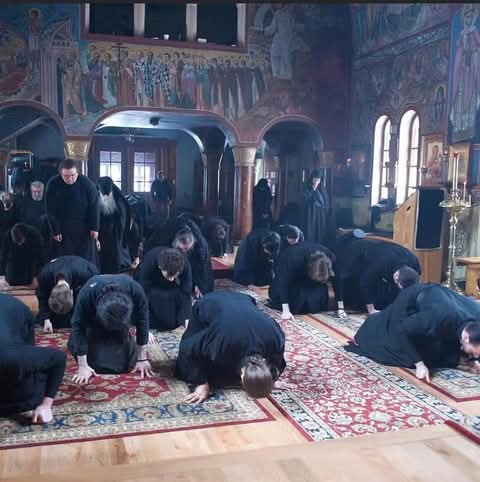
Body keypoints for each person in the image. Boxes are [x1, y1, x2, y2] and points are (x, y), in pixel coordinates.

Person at [345, 284, 480, 382]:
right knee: (400, 351)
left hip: (440, 299)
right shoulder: (435, 318)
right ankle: (368, 329)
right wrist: (419, 364)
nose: (474, 355)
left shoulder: (475, 315)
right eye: (473, 352)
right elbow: (402, 331)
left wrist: (471, 360)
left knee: (439, 352)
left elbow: (455, 335)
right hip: (412, 299)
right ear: (466, 337)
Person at [175, 291, 286, 403]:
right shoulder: (220, 343)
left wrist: (270, 380)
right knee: (211, 373)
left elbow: (277, 358)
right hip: (209, 302)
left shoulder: (275, 339)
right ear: (241, 377)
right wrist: (201, 384)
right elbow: (188, 348)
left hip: (244, 299)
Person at [68, 274, 153, 382]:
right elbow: (78, 326)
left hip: (121, 327)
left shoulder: (135, 290)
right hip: (94, 326)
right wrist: (83, 365)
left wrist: (142, 358)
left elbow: (143, 320)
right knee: (96, 364)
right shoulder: (86, 295)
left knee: (122, 366)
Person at [0, 293, 66, 423]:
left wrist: (46, 405)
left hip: (16, 310)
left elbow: (59, 358)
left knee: (32, 385)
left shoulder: (16, 359)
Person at [334, 234, 421, 316]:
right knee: (345, 276)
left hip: (387, 253)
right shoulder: (380, 263)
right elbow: (365, 282)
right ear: (396, 276)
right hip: (360, 251)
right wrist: (371, 310)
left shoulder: (415, 265)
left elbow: (410, 289)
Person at [45, 159, 100, 265]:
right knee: (64, 260)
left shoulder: (87, 184)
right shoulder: (53, 184)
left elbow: (94, 206)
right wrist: (55, 230)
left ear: (77, 173)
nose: (70, 179)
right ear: (60, 174)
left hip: (84, 227)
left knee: (85, 260)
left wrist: (95, 227)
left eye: (72, 175)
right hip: (62, 227)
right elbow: (50, 209)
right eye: (66, 176)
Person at [145, 214, 214, 297]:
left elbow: (203, 271)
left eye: (185, 250)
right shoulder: (161, 239)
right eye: (180, 250)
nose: (182, 254)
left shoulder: (200, 246)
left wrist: (198, 286)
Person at [268, 242, 335, 319]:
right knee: (296, 306)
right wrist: (286, 310)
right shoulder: (293, 258)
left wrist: (341, 307)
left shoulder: (330, 256)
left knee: (314, 305)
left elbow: (337, 278)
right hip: (292, 278)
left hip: (310, 279)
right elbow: (283, 282)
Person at [36, 255, 99, 333]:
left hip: (81, 277)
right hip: (59, 271)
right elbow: (42, 297)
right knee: (57, 322)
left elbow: (94, 297)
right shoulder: (44, 276)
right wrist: (46, 319)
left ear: (72, 292)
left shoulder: (88, 273)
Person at [134, 247, 192, 331]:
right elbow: (143, 293)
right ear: (160, 267)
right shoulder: (148, 263)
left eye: (174, 275)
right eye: (169, 275)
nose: (171, 279)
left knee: (172, 321)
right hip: (151, 286)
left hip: (171, 288)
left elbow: (186, 291)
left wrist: (187, 317)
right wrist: (142, 324)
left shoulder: (185, 264)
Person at [97, 177, 132, 274]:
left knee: (115, 256)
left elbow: (125, 220)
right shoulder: (95, 196)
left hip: (115, 233)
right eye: (103, 196)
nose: (106, 198)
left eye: (108, 195)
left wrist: (122, 237)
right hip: (101, 232)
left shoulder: (120, 200)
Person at [0, 223, 45, 287]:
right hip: (14, 261)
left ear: (25, 236)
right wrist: (1, 273)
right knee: (12, 280)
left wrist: (37, 274)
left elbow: (41, 256)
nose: (19, 244)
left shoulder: (35, 236)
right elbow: (3, 255)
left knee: (28, 282)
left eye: (20, 241)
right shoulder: (8, 235)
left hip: (29, 262)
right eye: (16, 242)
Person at [302, 170, 331, 245]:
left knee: (320, 232)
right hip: (311, 214)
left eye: (318, 180)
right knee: (311, 232)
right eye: (315, 179)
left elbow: (325, 201)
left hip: (321, 215)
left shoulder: (322, 188)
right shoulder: (307, 186)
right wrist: (313, 189)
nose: (316, 182)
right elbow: (305, 199)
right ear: (312, 179)